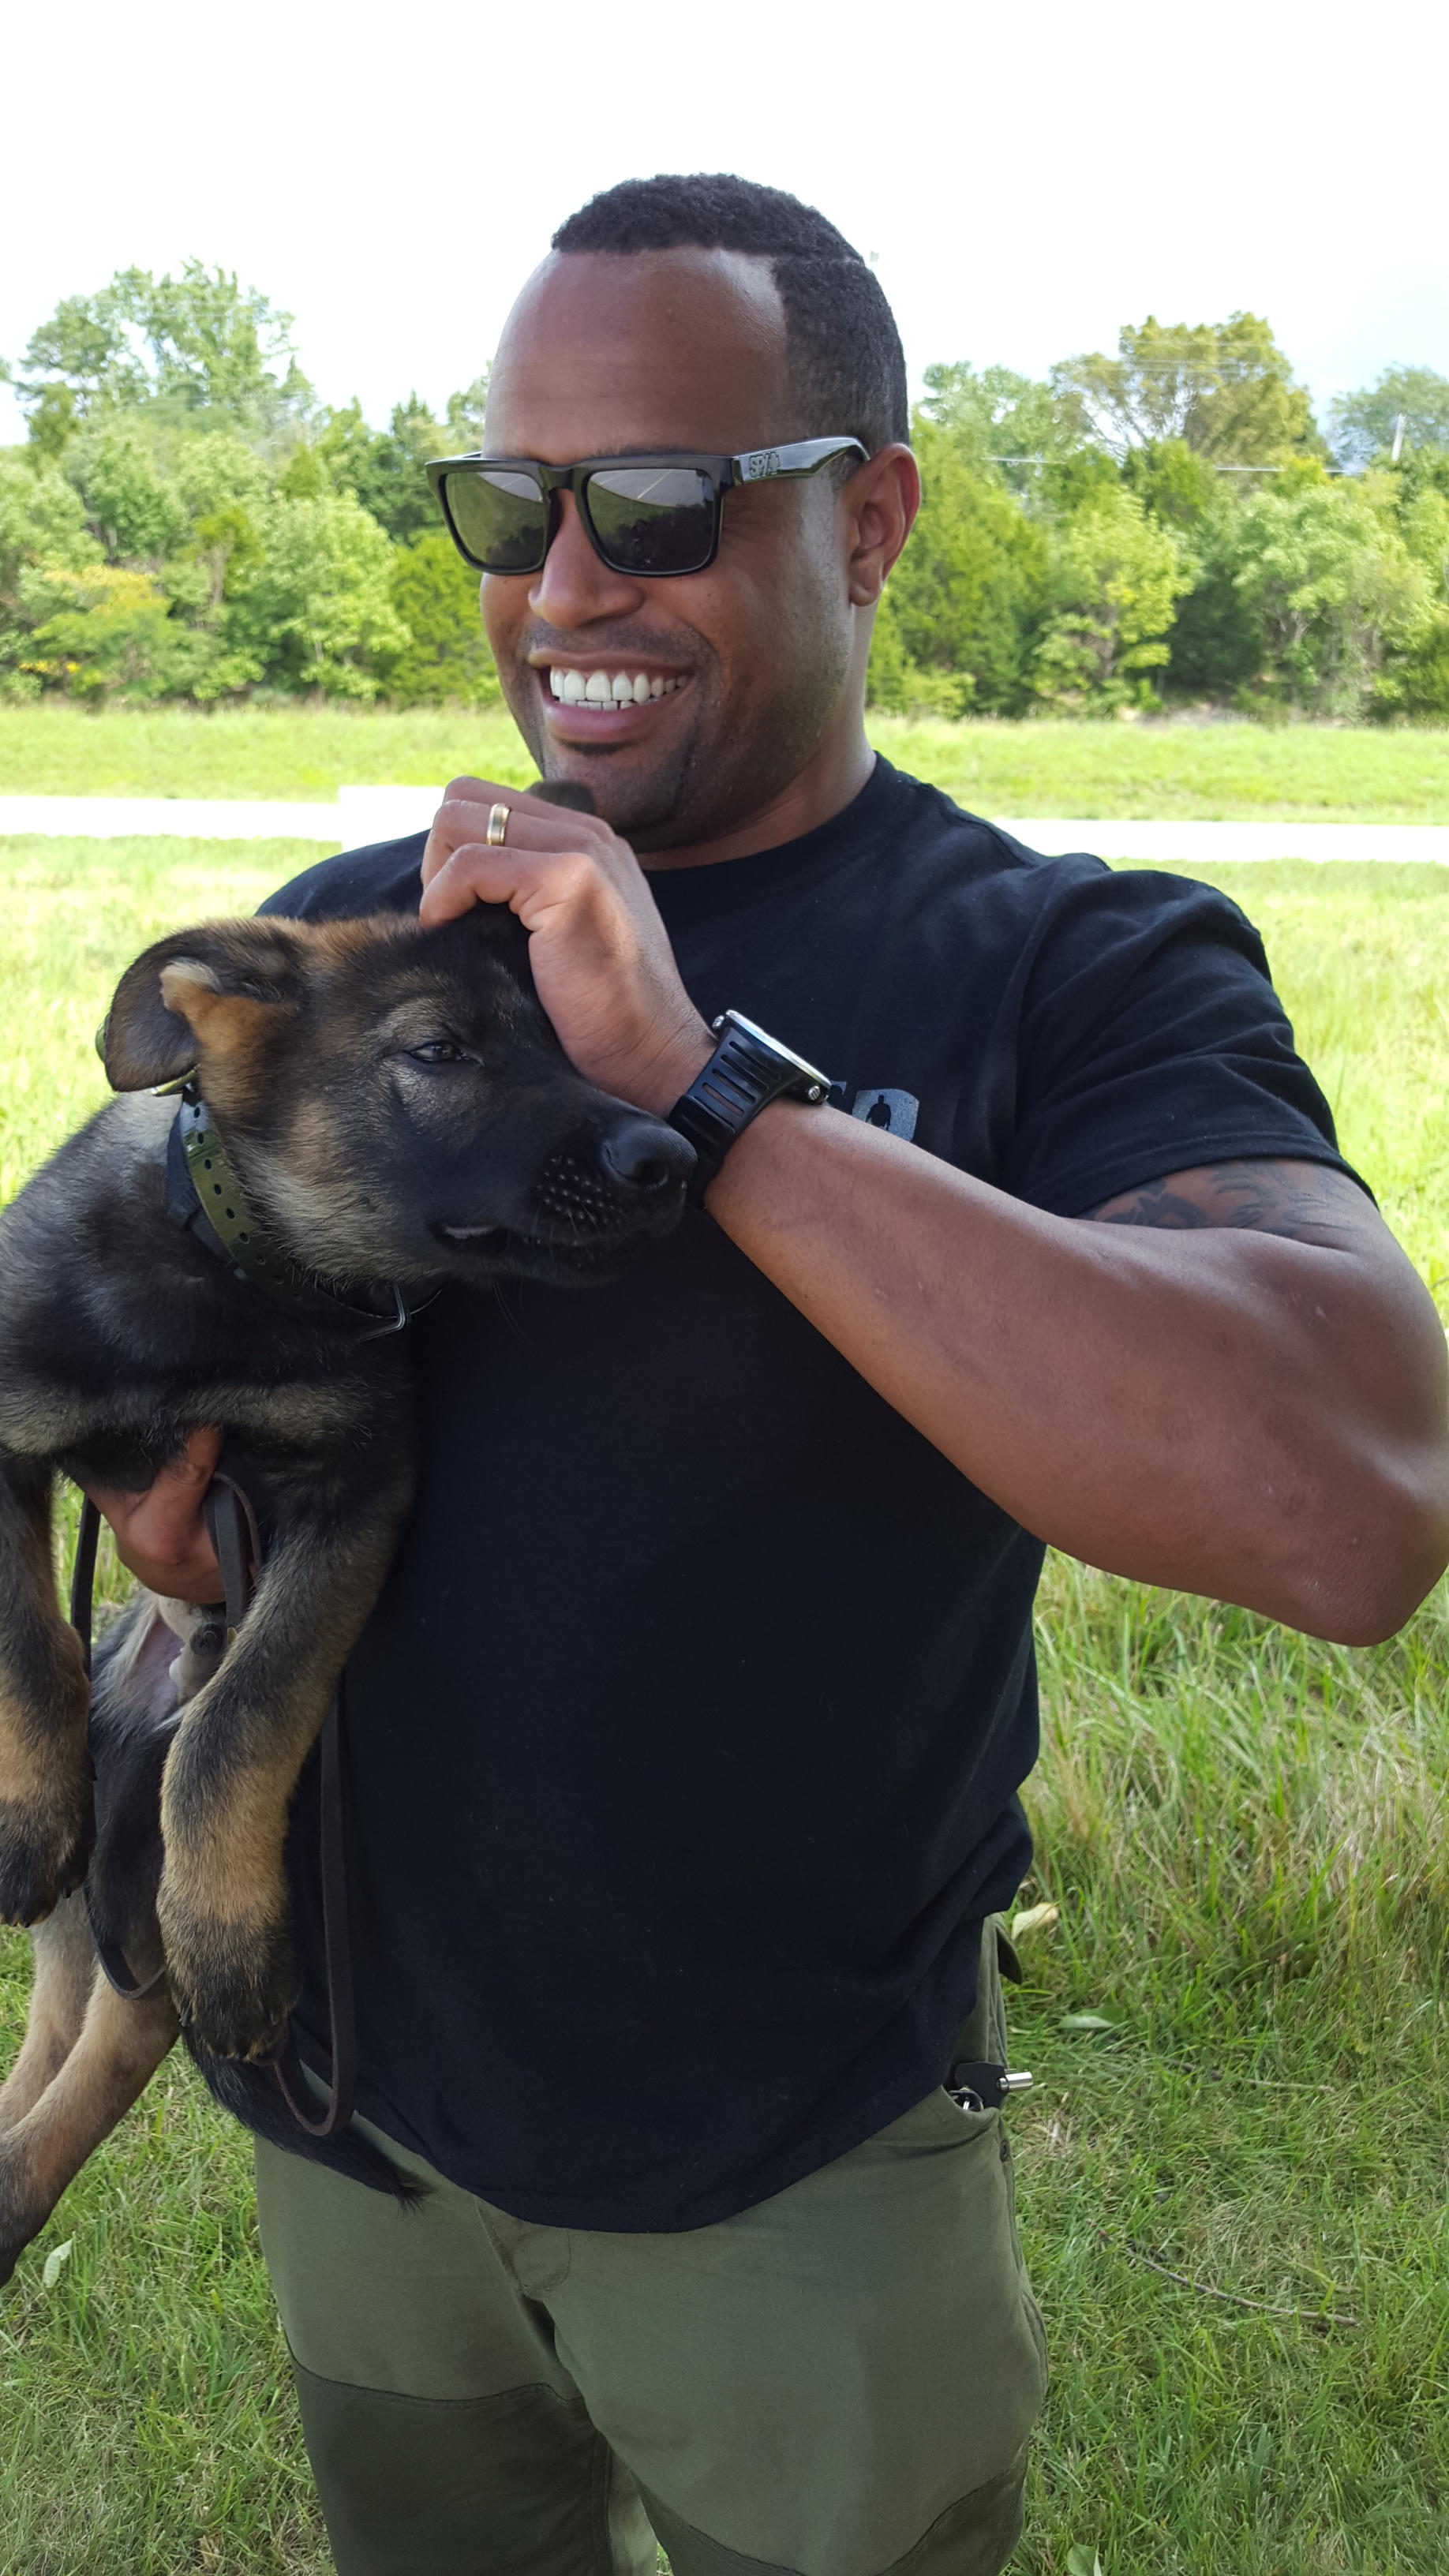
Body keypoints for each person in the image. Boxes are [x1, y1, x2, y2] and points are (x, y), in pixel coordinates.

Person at [90, 175, 1449, 2576]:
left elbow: (1341, 1505)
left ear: (875, 515)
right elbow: (147, 1362)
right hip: (354, 2129)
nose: (563, 584)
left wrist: (703, 1085)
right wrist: (173, 1524)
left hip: (793, 2171)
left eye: (655, 505)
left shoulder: (1066, 969)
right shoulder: (358, 939)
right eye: (509, 506)